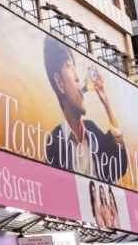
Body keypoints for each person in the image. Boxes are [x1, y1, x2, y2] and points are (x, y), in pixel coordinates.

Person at [43, 37, 127, 181]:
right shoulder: (55, 140)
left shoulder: (92, 130)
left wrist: (106, 103)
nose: (78, 78)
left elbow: (119, 167)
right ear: (59, 82)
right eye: (69, 67)